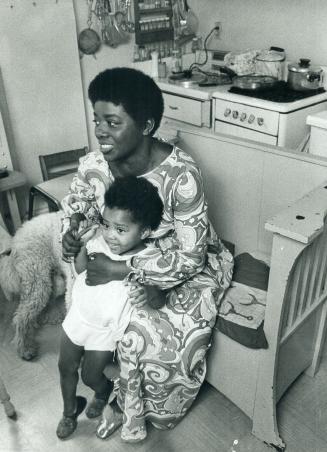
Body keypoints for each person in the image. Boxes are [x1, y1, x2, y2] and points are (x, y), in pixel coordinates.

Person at [61, 67, 234, 443]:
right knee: (86, 295)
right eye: (97, 120)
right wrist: (72, 233)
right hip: (118, 247)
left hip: (178, 264)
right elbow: (81, 207)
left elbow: (192, 256)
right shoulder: (95, 165)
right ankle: (107, 382)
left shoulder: (181, 175)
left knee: (149, 333)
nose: (101, 131)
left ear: (146, 125)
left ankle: (131, 404)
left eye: (112, 122)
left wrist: (120, 269)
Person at [56, 175, 164, 439]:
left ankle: (103, 392)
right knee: (65, 367)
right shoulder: (98, 241)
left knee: (91, 375)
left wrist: (144, 287)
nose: (110, 234)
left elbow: (158, 299)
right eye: (106, 224)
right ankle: (69, 412)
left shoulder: (147, 259)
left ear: (145, 231)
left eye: (121, 229)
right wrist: (80, 247)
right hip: (79, 317)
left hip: (105, 331)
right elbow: (82, 271)